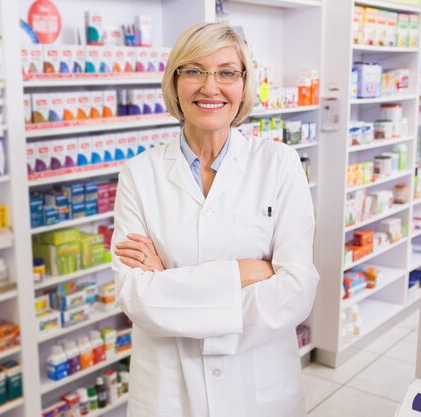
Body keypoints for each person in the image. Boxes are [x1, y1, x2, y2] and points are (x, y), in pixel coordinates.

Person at [111, 22, 319, 417]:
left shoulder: (280, 165)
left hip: (260, 389)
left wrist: (170, 286)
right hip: (168, 393)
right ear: (175, 83)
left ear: (244, 84)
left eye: (226, 72)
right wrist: (246, 271)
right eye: (194, 70)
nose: (210, 86)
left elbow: (296, 290)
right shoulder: (138, 174)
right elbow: (135, 295)